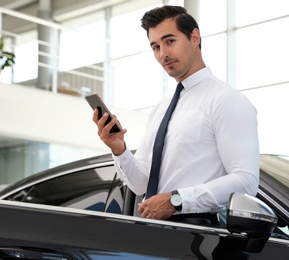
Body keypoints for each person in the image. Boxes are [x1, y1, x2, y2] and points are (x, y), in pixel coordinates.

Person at [93, 5, 259, 225]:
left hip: (197, 234)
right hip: (152, 232)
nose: (163, 54)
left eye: (170, 41)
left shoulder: (226, 100)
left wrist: (176, 200)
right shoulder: (160, 110)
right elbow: (141, 184)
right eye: (155, 47)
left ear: (195, 37)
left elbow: (246, 181)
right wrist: (119, 149)